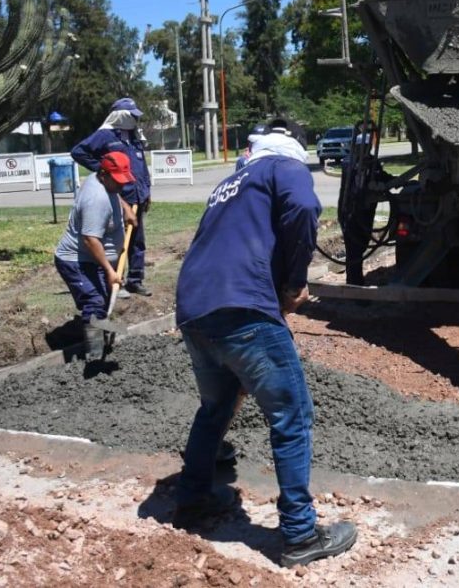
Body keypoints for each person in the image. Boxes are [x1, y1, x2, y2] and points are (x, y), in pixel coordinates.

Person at [173, 128, 357, 568]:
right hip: (243, 308)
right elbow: (304, 206)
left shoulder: (228, 186)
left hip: (194, 309)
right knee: (291, 415)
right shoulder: (283, 165)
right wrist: (294, 282)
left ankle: (193, 499)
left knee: (215, 408)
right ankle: (299, 533)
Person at [71, 98, 153, 296]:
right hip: (119, 196)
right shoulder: (105, 136)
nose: (135, 119)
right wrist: (103, 169)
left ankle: (135, 279)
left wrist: (147, 191)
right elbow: (78, 152)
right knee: (119, 241)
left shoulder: (134, 137)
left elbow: (141, 166)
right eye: (132, 115)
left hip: (138, 195)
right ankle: (117, 279)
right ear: (121, 116)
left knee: (137, 240)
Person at [53, 151, 137, 327]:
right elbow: (90, 240)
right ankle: (94, 353)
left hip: (93, 260)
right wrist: (110, 271)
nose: (122, 185)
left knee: (103, 302)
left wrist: (125, 207)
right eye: (118, 180)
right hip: (77, 261)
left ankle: (95, 335)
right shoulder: (96, 200)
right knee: (95, 302)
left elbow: (115, 192)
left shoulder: (99, 179)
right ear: (104, 174)